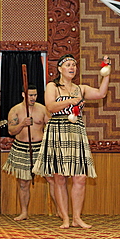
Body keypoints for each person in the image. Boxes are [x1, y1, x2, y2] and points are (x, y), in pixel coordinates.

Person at [33, 54, 111, 229]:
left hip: (76, 132)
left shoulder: (80, 88)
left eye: (74, 65)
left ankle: (77, 217)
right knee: (59, 176)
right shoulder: (52, 86)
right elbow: (50, 106)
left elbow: (101, 93)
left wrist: (106, 73)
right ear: (60, 68)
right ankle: (65, 219)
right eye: (68, 65)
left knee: (80, 177)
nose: (72, 67)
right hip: (57, 129)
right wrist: (70, 101)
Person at [2, 84, 58, 221]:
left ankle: (59, 210)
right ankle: (24, 212)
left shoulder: (43, 109)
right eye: (30, 95)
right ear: (23, 95)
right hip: (21, 147)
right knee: (23, 182)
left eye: (35, 95)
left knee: (52, 179)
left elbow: (50, 128)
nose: (33, 98)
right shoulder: (15, 110)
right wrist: (22, 124)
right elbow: (11, 131)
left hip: (40, 147)